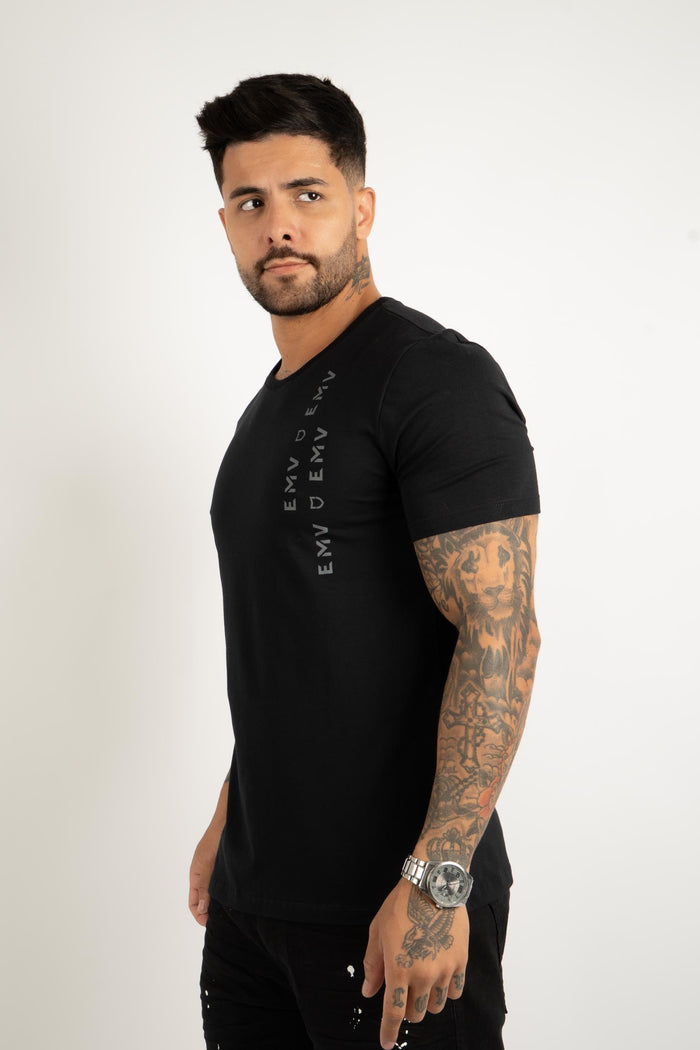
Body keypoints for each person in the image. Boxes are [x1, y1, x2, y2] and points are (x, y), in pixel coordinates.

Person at [189, 73, 540, 1050]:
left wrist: (437, 882)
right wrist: (231, 813)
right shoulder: (266, 408)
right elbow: (297, 644)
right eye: (249, 202)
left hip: (395, 906)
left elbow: (502, 633)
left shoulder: (433, 378)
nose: (278, 225)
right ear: (225, 225)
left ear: (362, 207)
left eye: (307, 194)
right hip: (256, 905)